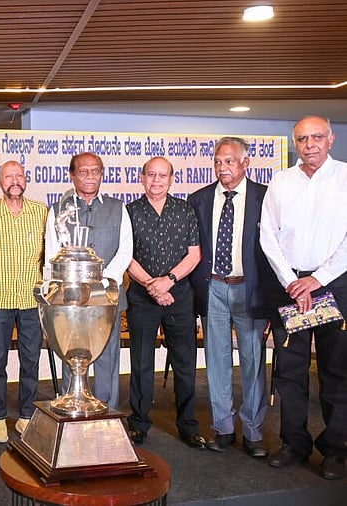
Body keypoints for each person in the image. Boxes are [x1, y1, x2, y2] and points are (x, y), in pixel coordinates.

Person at [260, 115, 347, 480]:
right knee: (290, 370)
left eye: (316, 137)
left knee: (335, 370)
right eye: (302, 139)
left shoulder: (345, 177)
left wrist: (317, 279)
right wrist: (292, 281)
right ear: (295, 143)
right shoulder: (281, 181)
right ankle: (295, 442)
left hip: (334, 286)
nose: (309, 144)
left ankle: (336, 448)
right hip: (289, 287)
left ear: (330, 139)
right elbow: (268, 235)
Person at [187, 137, 273, 457]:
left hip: (250, 289)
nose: (222, 167)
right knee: (217, 361)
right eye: (218, 161)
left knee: (253, 361)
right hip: (213, 287)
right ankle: (223, 428)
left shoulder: (265, 197)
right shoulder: (199, 199)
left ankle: (253, 432)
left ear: (245, 163)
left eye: (229, 161)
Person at [125, 156, 207, 449]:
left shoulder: (185, 210)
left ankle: (188, 425)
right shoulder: (129, 212)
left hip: (179, 296)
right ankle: (138, 424)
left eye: (163, 175)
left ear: (171, 179)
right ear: (142, 177)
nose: (157, 180)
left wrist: (168, 281)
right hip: (142, 297)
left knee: (185, 363)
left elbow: (194, 254)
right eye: (151, 175)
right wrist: (153, 285)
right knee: (141, 363)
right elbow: (126, 256)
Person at [44, 152, 132, 410]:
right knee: (71, 354)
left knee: (107, 357)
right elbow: (52, 255)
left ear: (102, 175)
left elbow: (125, 250)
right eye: (83, 171)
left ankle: (107, 414)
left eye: (95, 171)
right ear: (72, 176)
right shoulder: (58, 210)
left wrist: (100, 282)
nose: (90, 176)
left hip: (107, 297)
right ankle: (71, 411)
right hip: (70, 299)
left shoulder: (118, 208)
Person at [0, 160, 48, 443]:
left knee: (31, 360)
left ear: (26, 180)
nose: (14, 180)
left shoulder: (41, 213)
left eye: (19, 175)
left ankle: (26, 415)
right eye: (8, 176)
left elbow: (50, 256)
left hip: (32, 300)